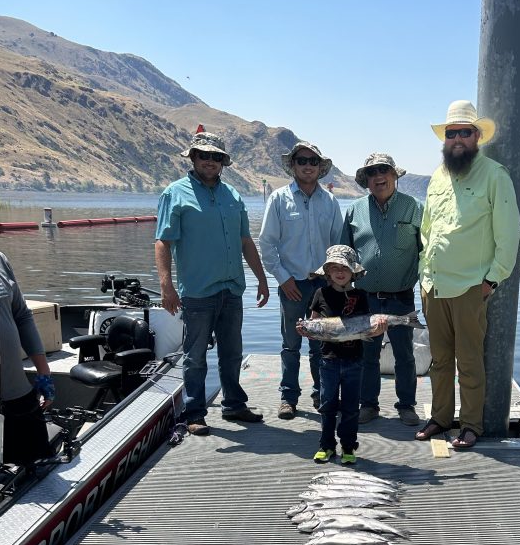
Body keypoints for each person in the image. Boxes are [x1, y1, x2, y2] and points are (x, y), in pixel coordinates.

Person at [417, 100, 520, 449]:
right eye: (451, 133)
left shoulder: (495, 175)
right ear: (444, 139)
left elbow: (509, 235)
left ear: (477, 136)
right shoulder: (437, 176)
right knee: (440, 360)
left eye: (465, 132)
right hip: (433, 285)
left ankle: (471, 423)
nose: (457, 138)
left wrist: (491, 280)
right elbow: (427, 229)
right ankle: (440, 417)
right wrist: (423, 272)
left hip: (469, 287)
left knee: (470, 360)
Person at [155, 130, 269, 437]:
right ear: (192, 157)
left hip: (232, 289)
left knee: (233, 352)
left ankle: (234, 404)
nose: (210, 161)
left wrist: (261, 278)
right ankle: (194, 412)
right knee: (195, 357)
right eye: (204, 155)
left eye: (216, 157)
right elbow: (163, 242)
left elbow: (246, 240)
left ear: (223, 162)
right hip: (198, 292)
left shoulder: (233, 195)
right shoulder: (174, 193)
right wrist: (166, 286)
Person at [258, 141, 343, 420]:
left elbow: (338, 245)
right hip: (291, 284)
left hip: (323, 285)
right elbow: (267, 244)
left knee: (321, 344)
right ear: (293, 166)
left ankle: (322, 394)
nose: (308, 165)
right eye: (302, 161)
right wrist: (283, 279)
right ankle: (288, 398)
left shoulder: (330, 202)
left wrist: (334, 282)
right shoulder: (279, 199)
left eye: (313, 161)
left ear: (320, 168)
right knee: (290, 345)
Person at [340, 152, 422, 427]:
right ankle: (369, 405)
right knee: (367, 355)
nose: (378, 177)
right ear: (366, 180)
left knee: (405, 355)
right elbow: (344, 256)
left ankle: (407, 406)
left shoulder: (414, 208)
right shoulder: (353, 210)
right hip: (365, 298)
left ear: (394, 175)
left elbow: (427, 252)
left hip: (402, 297)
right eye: (372, 173)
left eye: (383, 171)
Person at [297, 245, 381, 467]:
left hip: (355, 360)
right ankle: (326, 445)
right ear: (327, 272)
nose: (339, 272)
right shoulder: (320, 294)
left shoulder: (361, 295)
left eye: (344, 267)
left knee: (352, 407)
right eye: (334, 268)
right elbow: (313, 322)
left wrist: (379, 329)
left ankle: (348, 446)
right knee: (327, 405)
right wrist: (306, 330)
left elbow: (367, 326)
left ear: (353, 271)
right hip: (329, 360)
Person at [0, 251, 54, 465]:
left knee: (35, 465)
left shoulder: (0, 259)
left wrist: (44, 373)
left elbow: (21, 315)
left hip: (16, 393)